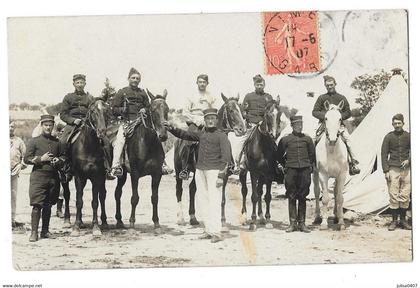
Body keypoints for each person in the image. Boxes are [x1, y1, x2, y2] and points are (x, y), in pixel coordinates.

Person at [164, 108, 231, 243]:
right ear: (204, 121)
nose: (210, 121)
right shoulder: (201, 134)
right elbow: (184, 135)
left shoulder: (222, 136)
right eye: (208, 119)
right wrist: (171, 128)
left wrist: (221, 176)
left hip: (214, 171)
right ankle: (208, 230)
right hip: (200, 171)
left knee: (214, 201)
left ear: (216, 121)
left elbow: (226, 157)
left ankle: (216, 232)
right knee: (202, 200)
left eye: (213, 119)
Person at [59, 74, 113, 180]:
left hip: (88, 124)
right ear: (74, 84)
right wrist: (73, 120)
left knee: (106, 141)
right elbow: (63, 114)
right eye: (77, 82)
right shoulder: (68, 97)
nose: (80, 84)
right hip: (72, 125)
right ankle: (66, 167)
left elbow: (95, 111)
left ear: (85, 84)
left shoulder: (90, 98)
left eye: (82, 82)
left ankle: (107, 168)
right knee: (63, 141)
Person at [24, 115, 66, 242]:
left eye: (50, 125)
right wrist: (41, 159)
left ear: (53, 126)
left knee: (48, 205)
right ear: (41, 126)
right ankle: (34, 233)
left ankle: (45, 231)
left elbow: (64, 158)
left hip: (53, 178)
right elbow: (26, 159)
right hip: (38, 177)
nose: (48, 127)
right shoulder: (34, 141)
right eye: (46, 125)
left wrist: (58, 160)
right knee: (37, 205)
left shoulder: (57, 142)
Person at [312, 75, 360, 175]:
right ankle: (311, 163)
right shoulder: (321, 98)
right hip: (324, 124)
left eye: (331, 85)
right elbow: (315, 112)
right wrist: (327, 116)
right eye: (327, 85)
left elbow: (348, 112)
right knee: (313, 139)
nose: (329, 87)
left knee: (348, 140)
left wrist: (338, 116)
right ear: (325, 85)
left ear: (335, 84)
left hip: (338, 124)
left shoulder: (341, 98)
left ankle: (353, 163)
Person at [109, 67, 150, 177]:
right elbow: (113, 109)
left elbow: (148, 106)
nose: (135, 80)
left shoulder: (143, 93)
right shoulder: (122, 92)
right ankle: (115, 166)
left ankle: (162, 163)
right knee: (119, 141)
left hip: (142, 123)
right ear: (128, 79)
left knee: (154, 137)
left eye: (137, 78)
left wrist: (145, 109)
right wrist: (122, 110)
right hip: (127, 122)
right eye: (133, 78)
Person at [277, 115, 315, 233]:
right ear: (292, 126)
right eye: (297, 125)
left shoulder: (308, 139)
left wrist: (309, 166)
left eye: (301, 125)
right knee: (292, 195)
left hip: (304, 170)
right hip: (291, 170)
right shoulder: (285, 140)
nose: (299, 127)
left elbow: (312, 155)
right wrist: (284, 166)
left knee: (303, 196)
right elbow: (279, 156)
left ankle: (302, 224)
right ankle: (292, 223)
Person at [179, 74, 217, 179]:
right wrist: (196, 120)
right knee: (189, 142)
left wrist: (207, 120)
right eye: (200, 82)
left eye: (204, 82)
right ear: (197, 83)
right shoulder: (191, 96)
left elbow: (214, 111)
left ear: (207, 83)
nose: (202, 84)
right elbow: (185, 112)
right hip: (193, 122)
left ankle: (229, 166)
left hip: (207, 122)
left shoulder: (211, 96)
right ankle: (185, 168)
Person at [232, 74, 273, 172]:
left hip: (264, 124)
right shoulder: (249, 96)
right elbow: (243, 111)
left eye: (261, 84)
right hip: (251, 123)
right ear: (254, 85)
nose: (259, 86)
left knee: (273, 142)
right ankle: (238, 164)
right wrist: (247, 119)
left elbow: (271, 111)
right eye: (257, 84)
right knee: (241, 142)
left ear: (264, 85)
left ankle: (276, 164)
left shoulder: (268, 97)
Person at [381, 113, 411, 231]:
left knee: (405, 194)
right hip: (393, 168)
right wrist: (386, 170)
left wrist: (409, 160)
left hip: (407, 169)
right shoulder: (388, 137)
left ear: (403, 123)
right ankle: (394, 221)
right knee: (393, 194)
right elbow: (384, 154)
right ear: (392, 124)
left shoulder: (409, 136)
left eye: (399, 123)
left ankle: (403, 221)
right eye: (395, 123)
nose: (397, 125)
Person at [10, 120, 27, 230]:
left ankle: (11, 219)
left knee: (13, 195)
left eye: (12, 126)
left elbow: (25, 157)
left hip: (14, 172)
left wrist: (21, 165)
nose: (10, 128)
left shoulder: (19, 141)